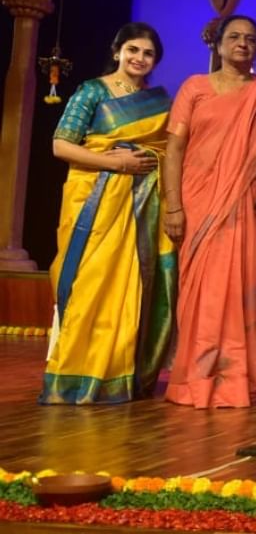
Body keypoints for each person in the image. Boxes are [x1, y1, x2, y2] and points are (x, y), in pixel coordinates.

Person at [40, 23, 174, 404]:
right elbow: (60, 146)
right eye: (133, 50)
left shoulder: (158, 101)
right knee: (92, 284)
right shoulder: (92, 91)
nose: (140, 59)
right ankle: (78, 375)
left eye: (148, 54)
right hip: (96, 205)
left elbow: (168, 151)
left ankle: (122, 375)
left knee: (137, 287)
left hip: (143, 208)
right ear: (117, 51)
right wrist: (112, 163)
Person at [163, 15, 256, 408]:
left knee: (243, 286)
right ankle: (194, 378)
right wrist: (173, 204)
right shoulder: (194, 87)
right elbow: (174, 149)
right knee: (202, 292)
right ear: (218, 43)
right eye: (234, 37)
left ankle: (235, 379)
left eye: (250, 39)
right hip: (198, 202)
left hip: (247, 202)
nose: (242, 44)